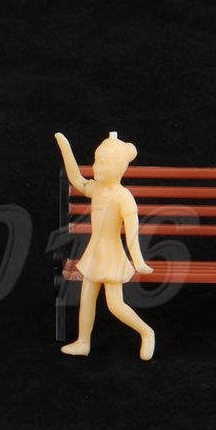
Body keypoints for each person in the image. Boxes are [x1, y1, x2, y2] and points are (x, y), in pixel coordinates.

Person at [55, 131, 156, 360]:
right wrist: (65, 148)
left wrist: (138, 261)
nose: (98, 167)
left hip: (112, 256)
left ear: (120, 167)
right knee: (86, 299)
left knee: (115, 305)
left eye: (105, 163)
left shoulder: (124, 197)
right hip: (94, 254)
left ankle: (146, 332)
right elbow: (76, 178)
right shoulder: (96, 189)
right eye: (96, 161)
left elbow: (132, 233)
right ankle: (83, 342)